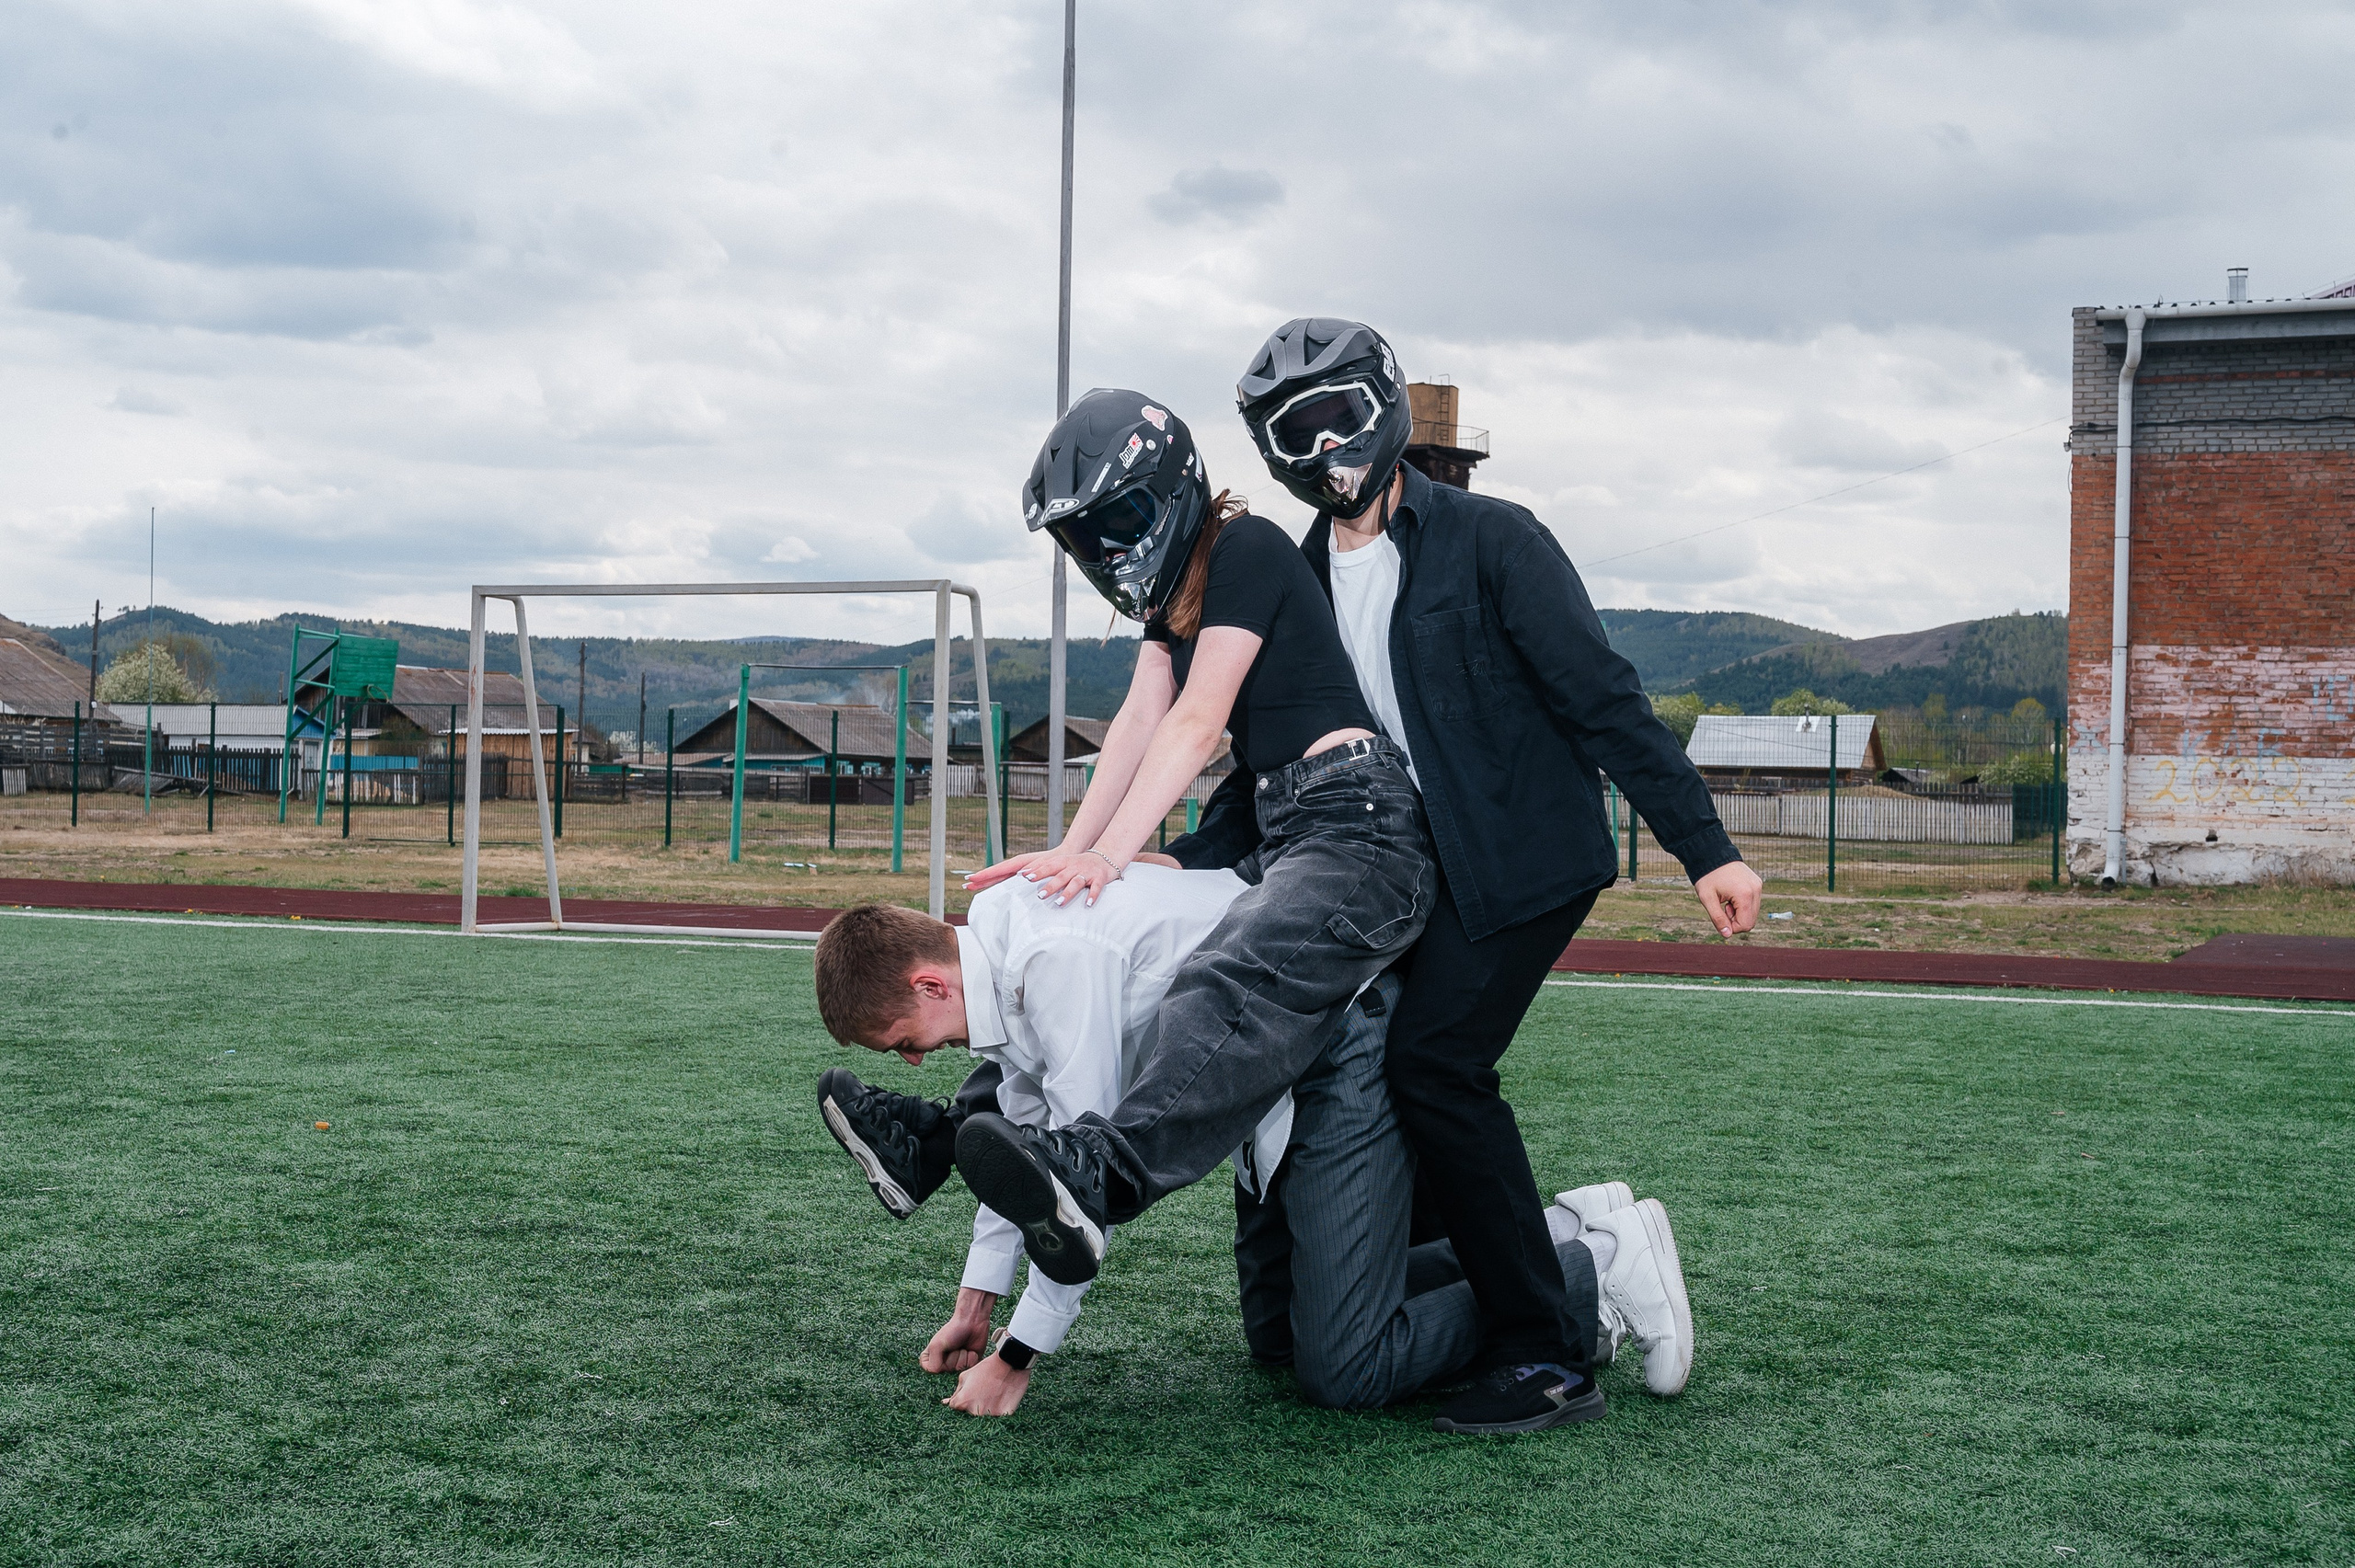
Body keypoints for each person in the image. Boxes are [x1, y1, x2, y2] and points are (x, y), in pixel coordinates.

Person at [1153, 317, 1764, 1434]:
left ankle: (1548, 1342)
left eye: (1337, 413)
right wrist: (1171, 867)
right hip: (1401, 872)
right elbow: (1261, 767)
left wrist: (1703, 846)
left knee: (1434, 1063)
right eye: (1290, 430)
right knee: (1391, 1068)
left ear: (1382, 406)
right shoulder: (1288, 580)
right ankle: (1490, 1267)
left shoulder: (1493, 539)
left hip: (1523, 862)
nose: (1320, 444)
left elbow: (1601, 696)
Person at [810, 883, 1695, 1423]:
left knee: (1350, 1367)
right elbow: (1019, 1135)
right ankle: (1558, 1226)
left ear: (929, 982)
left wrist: (1017, 1357)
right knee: (1282, 1339)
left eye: (902, 1041)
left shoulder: (1054, 963)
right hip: (1268, 1070)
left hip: (1333, 1046)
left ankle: (1598, 1270)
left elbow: (1072, 1198)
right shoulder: (999, 939)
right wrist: (977, 1306)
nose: (917, 1062)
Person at [944, 390, 1436, 1300]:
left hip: (1358, 827)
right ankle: (942, 1131)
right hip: (1281, 831)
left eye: (1119, 518)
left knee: (1225, 977)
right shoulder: (1175, 594)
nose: (1104, 549)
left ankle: (1102, 1174)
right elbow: (1138, 717)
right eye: (1084, 536)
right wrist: (1073, 852)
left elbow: (1198, 720)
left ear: (1174, 489)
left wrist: (1110, 853)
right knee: (1082, 929)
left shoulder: (1243, 547)